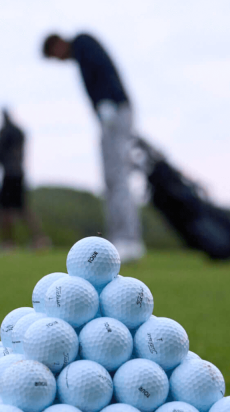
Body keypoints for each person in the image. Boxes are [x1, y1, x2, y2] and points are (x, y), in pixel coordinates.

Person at [42, 33, 145, 261]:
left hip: (116, 110)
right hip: (109, 114)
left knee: (118, 176)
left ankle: (129, 240)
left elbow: (103, 71)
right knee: (111, 178)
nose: (58, 61)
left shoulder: (82, 42)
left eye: (54, 56)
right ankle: (118, 239)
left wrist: (106, 101)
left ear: (57, 44)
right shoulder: (79, 53)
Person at [0, 108, 50, 250]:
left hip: (9, 174)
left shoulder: (4, 131)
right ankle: (39, 239)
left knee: (6, 210)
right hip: (19, 172)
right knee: (22, 209)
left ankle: (9, 243)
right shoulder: (19, 131)